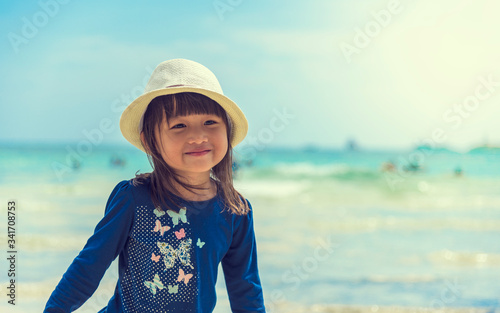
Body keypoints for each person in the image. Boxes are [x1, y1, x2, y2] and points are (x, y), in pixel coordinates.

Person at [44, 59, 266, 312]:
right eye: (179, 125)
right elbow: (90, 266)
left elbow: (245, 290)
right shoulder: (134, 198)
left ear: (227, 130)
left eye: (210, 123)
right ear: (150, 141)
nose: (198, 136)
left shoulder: (235, 210)